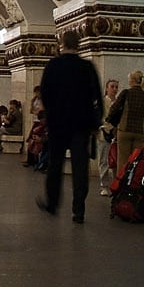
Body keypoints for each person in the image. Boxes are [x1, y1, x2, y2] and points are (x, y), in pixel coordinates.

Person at [35, 31, 105, 223]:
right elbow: (97, 97)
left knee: (55, 164)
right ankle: (78, 210)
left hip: (58, 124)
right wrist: (96, 122)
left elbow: (45, 93)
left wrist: (49, 115)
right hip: (81, 125)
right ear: (78, 44)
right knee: (80, 167)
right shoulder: (87, 67)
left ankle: (52, 202)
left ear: (62, 44)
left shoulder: (53, 65)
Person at [104, 70, 144, 172]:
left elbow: (114, 109)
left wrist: (110, 120)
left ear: (132, 80)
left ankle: (121, 185)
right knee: (136, 160)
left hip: (124, 130)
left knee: (123, 161)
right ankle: (133, 184)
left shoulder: (126, 93)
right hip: (140, 131)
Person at [99, 78, 120, 196]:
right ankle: (104, 185)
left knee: (115, 160)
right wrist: (110, 128)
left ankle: (115, 184)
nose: (114, 89)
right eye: (112, 87)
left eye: (116, 87)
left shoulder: (118, 102)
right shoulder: (102, 102)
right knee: (104, 161)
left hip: (117, 135)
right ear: (107, 88)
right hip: (104, 134)